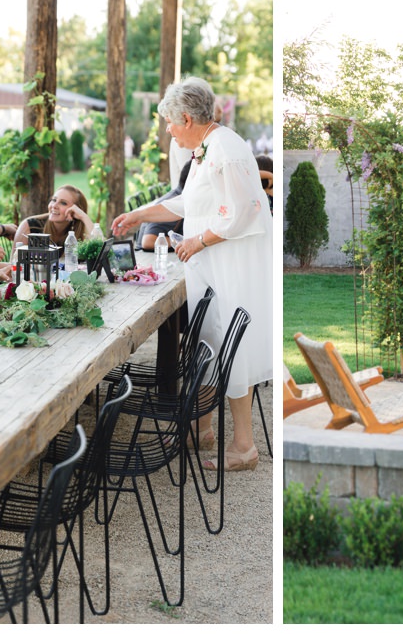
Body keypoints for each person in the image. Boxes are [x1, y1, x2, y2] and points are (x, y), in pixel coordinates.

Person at [112, 77, 274, 472]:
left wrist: (199, 240)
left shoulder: (227, 150)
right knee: (209, 341)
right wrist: (139, 215)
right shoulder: (207, 148)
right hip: (214, 268)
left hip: (231, 268)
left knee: (232, 350)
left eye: (170, 122)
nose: (167, 129)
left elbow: (247, 212)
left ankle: (243, 448)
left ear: (187, 117)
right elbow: (188, 202)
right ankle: (201, 428)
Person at [14, 185, 101, 248]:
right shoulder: (30, 226)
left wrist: (83, 217)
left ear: (75, 210)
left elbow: (101, 249)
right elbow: (14, 265)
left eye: (63, 203)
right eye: (54, 200)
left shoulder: (79, 228)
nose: (54, 205)